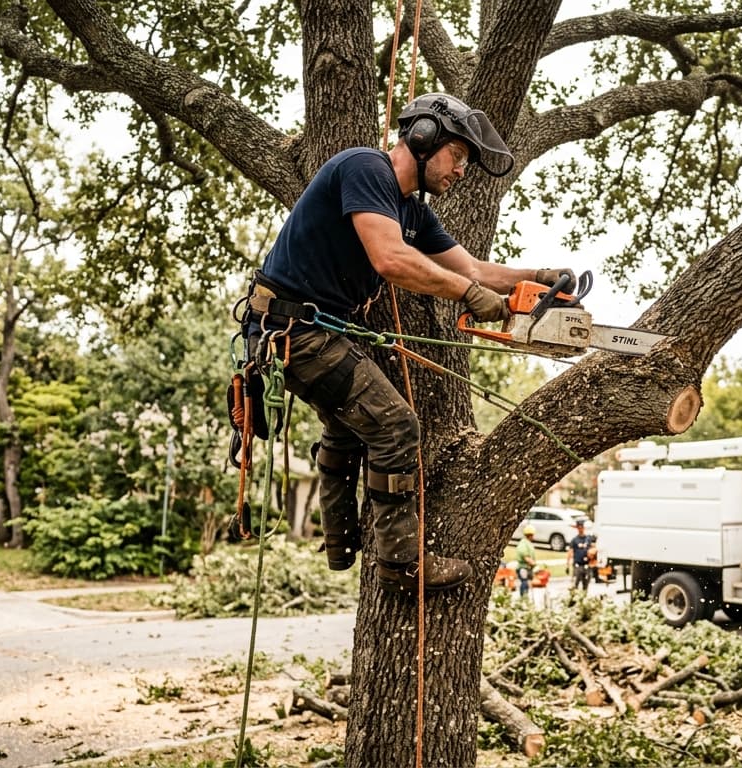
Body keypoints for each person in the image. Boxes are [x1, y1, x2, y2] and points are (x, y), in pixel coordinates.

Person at [240, 93, 574, 594]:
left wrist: (539, 277)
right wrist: (470, 294)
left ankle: (339, 542)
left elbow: (475, 269)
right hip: (294, 330)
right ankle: (402, 566)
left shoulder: (413, 213)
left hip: (315, 332)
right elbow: (391, 260)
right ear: (422, 137)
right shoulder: (365, 168)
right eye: (458, 156)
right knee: (395, 426)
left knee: (351, 428)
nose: (461, 171)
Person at [567, 520, 595, 594]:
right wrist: (567, 564)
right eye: (579, 527)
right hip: (577, 565)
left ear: (584, 528)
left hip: (586, 565)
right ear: (577, 528)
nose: (580, 529)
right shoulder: (574, 540)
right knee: (575, 584)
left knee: (585, 585)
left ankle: (584, 599)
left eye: (582, 527)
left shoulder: (588, 539)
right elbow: (570, 552)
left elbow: (593, 549)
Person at [515, 526, 538, 600]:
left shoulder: (528, 543)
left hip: (527, 568)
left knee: (527, 584)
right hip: (523, 568)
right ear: (530, 535)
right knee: (524, 583)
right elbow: (526, 557)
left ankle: (525, 598)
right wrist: (534, 563)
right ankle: (523, 598)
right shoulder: (523, 544)